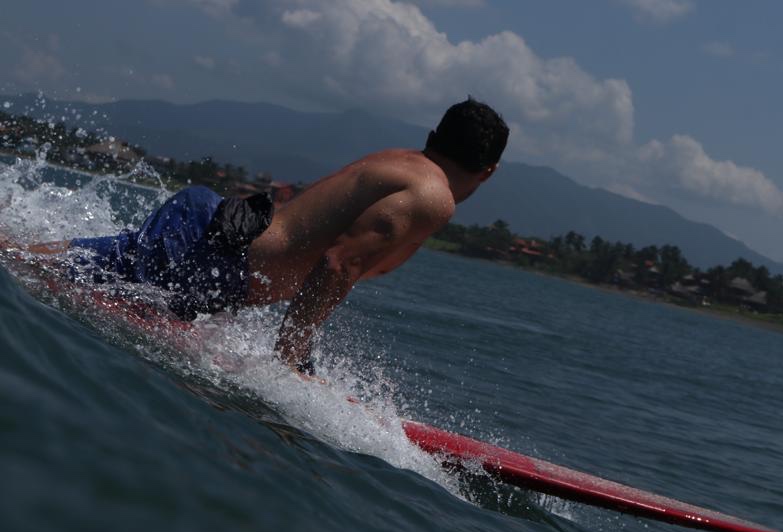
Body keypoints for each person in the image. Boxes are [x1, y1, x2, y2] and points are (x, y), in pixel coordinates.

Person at [24, 98, 509, 375]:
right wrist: (285, 370)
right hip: (213, 254)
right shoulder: (433, 195)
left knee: (41, 261)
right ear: (487, 172)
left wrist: (298, 364)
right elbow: (339, 264)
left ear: (432, 136)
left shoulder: (402, 162)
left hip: (211, 236)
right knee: (46, 269)